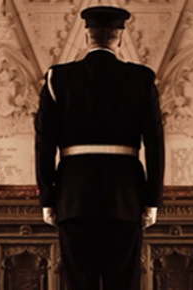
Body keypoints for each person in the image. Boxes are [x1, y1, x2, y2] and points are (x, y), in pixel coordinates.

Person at [34, 5, 164, 290]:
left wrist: (48, 197)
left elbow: (44, 144)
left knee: (79, 283)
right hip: (126, 197)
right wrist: (152, 200)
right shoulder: (141, 79)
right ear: (119, 38)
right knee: (123, 282)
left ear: (86, 37)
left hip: (73, 197)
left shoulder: (58, 78)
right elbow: (155, 144)